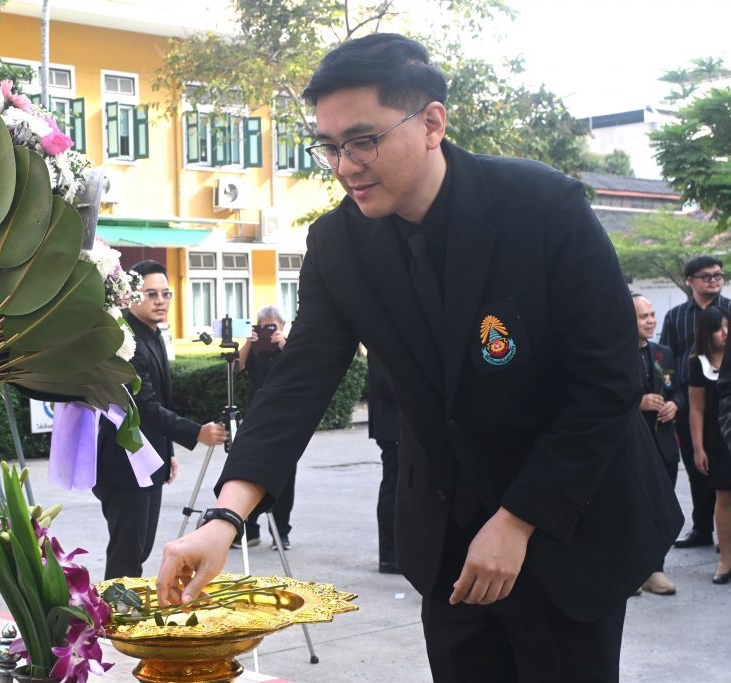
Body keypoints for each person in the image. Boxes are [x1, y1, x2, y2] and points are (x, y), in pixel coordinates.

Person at [157, 33, 682, 682]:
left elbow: (608, 381)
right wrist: (224, 518)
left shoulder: (543, 209)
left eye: (364, 140)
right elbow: (299, 382)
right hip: (448, 537)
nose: (345, 166)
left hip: (571, 525)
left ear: (431, 122)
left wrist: (519, 519)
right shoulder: (338, 244)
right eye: (330, 147)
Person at [93, 260, 226, 580]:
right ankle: (116, 620)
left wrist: (167, 454)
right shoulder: (125, 340)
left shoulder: (152, 334)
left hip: (148, 460)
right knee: (127, 554)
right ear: (131, 296)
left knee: (139, 549)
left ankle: (124, 614)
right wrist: (197, 433)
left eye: (166, 293)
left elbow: (159, 403)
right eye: (150, 294)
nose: (160, 301)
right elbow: (144, 407)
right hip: (125, 466)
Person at [659, 255, 731, 549]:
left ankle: (725, 535)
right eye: (706, 276)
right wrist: (671, 397)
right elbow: (665, 358)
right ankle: (702, 528)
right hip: (691, 405)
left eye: (717, 274)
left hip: (725, 400)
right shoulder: (676, 316)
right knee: (697, 467)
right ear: (690, 281)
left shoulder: (728, 311)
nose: (713, 279)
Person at [234, 305, 292, 551]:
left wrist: (283, 344)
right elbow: (237, 368)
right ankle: (251, 529)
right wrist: (248, 343)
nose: (268, 333)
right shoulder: (255, 349)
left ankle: (281, 532)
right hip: (255, 418)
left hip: (284, 421)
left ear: (281, 327)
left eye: (272, 327)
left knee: (284, 479)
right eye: (263, 327)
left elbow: (300, 369)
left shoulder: (288, 348)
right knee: (251, 474)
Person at [632, 293, 679, 595]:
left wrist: (674, 404)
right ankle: (631, 570)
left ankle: (655, 568)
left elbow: (679, 390)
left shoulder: (664, 353)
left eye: (651, 315)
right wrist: (638, 402)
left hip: (664, 442)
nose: (650, 321)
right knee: (633, 508)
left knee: (662, 508)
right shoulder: (615, 354)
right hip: (633, 446)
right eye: (642, 316)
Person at [687, 306, 731, 584]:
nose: (725, 333)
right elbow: (697, 409)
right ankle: (726, 559)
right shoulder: (697, 362)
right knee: (724, 498)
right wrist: (698, 447)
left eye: (728, 326)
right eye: (718, 328)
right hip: (717, 439)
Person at [368, 352, 402, 574]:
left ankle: (394, 553)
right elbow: (387, 383)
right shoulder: (383, 338)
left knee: (397, 487)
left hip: (394, 422)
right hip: (393, 424)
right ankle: (390, 555)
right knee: (393, 487)